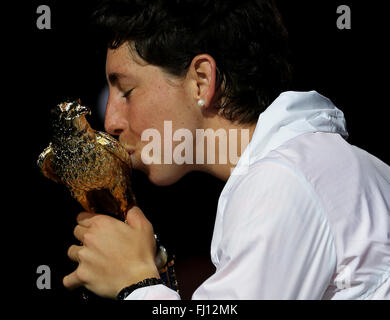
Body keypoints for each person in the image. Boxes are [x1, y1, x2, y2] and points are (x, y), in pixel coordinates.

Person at [62, 0, 390, 299]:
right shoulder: (311, 165)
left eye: (127, 90)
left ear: (201, 81)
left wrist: (134, 285)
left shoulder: (284, 180)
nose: (111, 122)